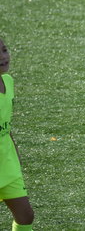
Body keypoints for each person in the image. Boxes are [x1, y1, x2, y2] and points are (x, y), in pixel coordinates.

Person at [0, 38, 35, 231]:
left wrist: (16, 156)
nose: (3, 57)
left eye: (4, 50)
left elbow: (6, 126)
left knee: (25, 216)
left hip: (7, 163)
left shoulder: (8, 81)